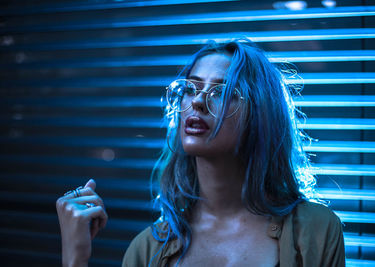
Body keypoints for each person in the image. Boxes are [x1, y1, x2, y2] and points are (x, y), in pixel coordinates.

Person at [56, 39, 345, 267]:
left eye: (221, 91)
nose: (197, 102)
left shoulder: (315, 232)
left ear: (260, 115)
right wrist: (75, 258)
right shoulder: (147, 250)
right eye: (191, 88)